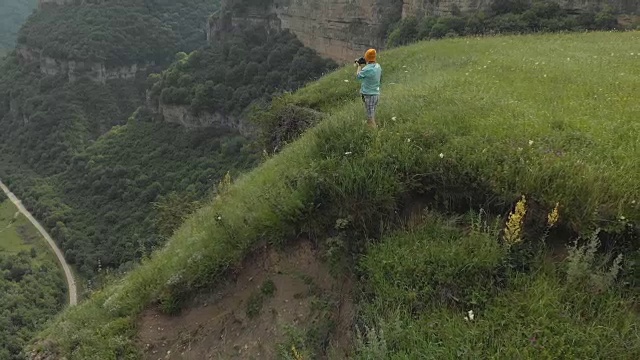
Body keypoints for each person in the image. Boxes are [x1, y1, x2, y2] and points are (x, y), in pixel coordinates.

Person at [355, 48, 382, 129]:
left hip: (369, 95)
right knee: (372, 114)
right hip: (376, 94)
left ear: (367, 57)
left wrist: (359, 65)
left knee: (370, 118)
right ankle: (374, 128)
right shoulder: (378, 66)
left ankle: (375, 134)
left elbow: (358, 76)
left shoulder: (367, 69)